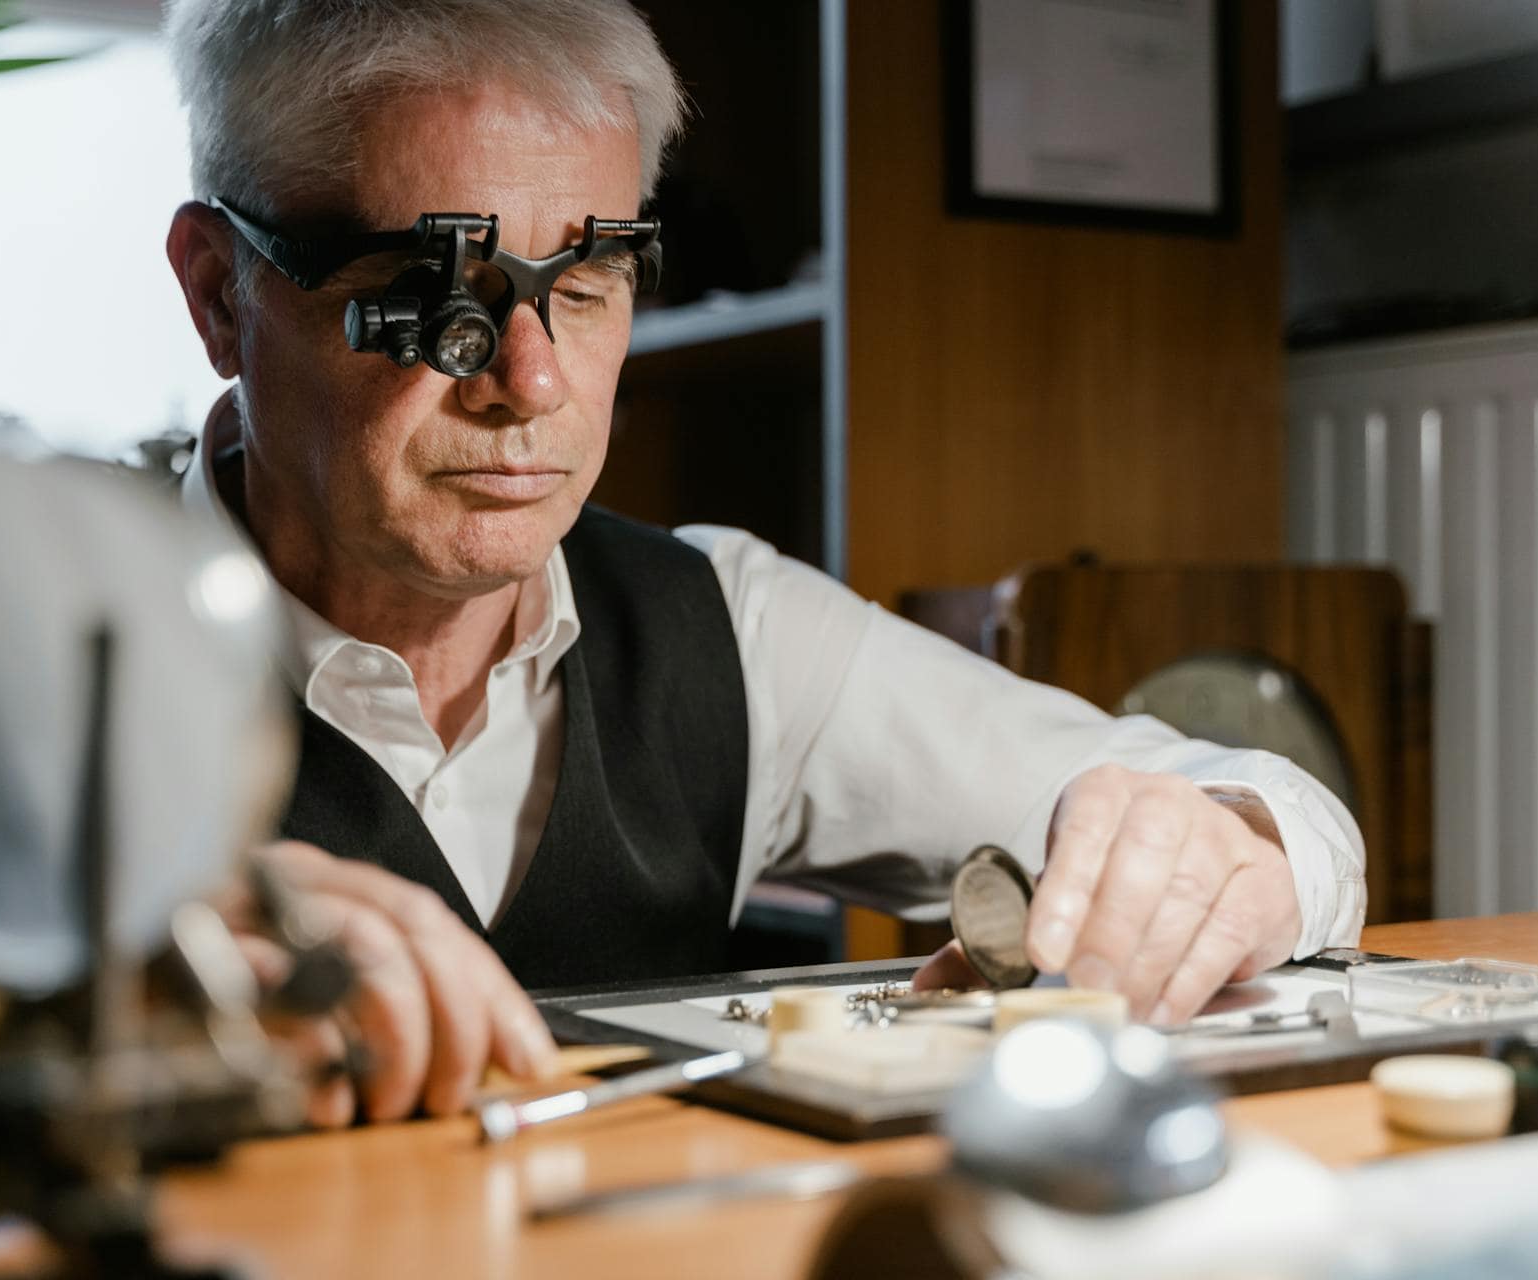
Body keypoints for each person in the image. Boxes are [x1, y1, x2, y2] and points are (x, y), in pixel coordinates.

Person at [162, 0, 1366, 1128]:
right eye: (435, 289)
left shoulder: (726, 633)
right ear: (221, 295)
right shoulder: (69, 667)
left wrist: (1226, 853)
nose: (532, 382)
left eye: (588, 279)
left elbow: (1279, 809)